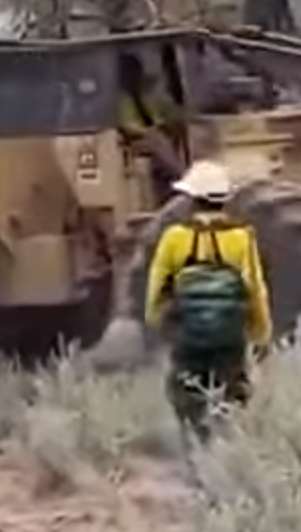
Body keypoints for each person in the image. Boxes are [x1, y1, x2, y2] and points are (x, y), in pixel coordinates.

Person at [141, 160, 274, 440]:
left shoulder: (174, 238)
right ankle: (227, 442)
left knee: (186, 391)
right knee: (233, 389)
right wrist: (260, 331)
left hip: (188, 335)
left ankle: (194, 443)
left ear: (191, 199)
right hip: (229, 335)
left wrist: (155, 320)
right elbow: (254, 288)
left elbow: (157, 284)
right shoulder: (240, 239)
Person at [116, 52, 188, 197]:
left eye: (135, 70)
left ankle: (180, 173)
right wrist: (148, 131)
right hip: (133, 141)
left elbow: (175, 114)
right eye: (128, 72)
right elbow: (125, 125)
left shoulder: (150, 94)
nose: (133, 75)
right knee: (157, 140)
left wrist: (172, 123)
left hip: (159, 134)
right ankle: (182, 176)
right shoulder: (119, 100)